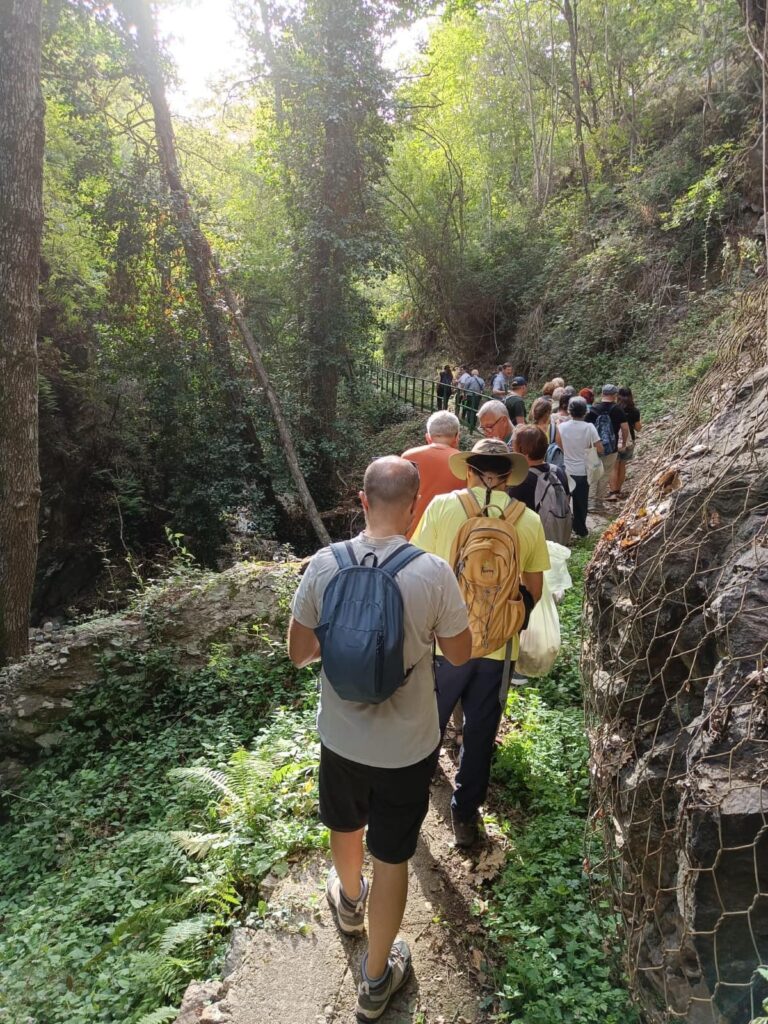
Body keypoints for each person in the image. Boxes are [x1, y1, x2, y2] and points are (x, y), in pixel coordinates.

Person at [288, 457, 472, 1021]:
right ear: (414, 506)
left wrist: (338, 646)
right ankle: (375, 980)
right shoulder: (433, 573)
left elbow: (298, 654)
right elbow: (460, 654)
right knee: (392, 856)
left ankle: (347, 904)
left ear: (362, 501)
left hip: (340, 738)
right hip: (407, 747)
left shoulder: (323, 564)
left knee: (344, 822)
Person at [412, 439, 549, 847]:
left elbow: (419, 574)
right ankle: (465, 817)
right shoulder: (527, 520)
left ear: (469, 470)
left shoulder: (441, 508)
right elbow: (534, 589)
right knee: (480, 731)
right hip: (497, 651)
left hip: (442, 646)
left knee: (425, 730)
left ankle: (410, 808)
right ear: (508, 476)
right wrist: (502, 619)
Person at [402, 410, 461, 539]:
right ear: (457, 437)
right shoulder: (464, 463)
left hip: (410, 536)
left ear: (428, 437)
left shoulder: (408, 457)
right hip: (447, 538)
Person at [509, 426, 572, 543]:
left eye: (514, 447)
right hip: (559, 534)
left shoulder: (521, 480)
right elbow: (566, 501)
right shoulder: (558, 471)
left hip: (533, 540)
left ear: (523, 451)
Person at [559, 397, 603, 537]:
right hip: (583, 471)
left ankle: (563, 528)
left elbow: (559, 444)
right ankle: (580, 529)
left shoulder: (562, 427)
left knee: (564, 501)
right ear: (585, 412)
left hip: (566, 470)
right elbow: (599, 448)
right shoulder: (589, 427)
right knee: (581, 503)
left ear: (569, 411)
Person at [586, 384, 629, 503]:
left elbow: (586, 428)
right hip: (611, 448)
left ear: (602, 394)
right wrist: (623, 443)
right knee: (604, 475)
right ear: (615, 395)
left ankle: (590, 503)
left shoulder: (593, 408)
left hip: (594, 447)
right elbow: (625, 428)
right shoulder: (618, 409)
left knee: (593, 474)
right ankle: (599, 503)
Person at [609, 386, 642, 499]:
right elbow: (638, 428)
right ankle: (618, 489)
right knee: (622, 465)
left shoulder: (614, 409)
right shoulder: (634, 410)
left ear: (618, 396)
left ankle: (613, 492)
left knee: (614, 466)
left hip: (614, 441)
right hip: (629, 441)